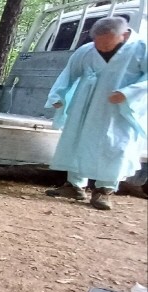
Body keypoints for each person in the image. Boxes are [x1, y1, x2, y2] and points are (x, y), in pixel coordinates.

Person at [45, 16, 147, 210]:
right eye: (97, 44)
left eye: (106, 45)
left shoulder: (142, 49)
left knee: (114, 146)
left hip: (118, 110)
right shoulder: (86, 50)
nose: (100, 49)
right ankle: (75, 185)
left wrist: (128, 93)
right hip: (85, 105)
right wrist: (58, 96)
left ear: (123, 35)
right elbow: (69, 74)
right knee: (79, 141)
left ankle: (104, 190)